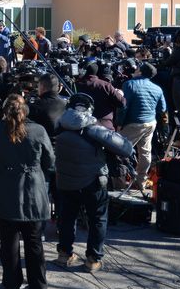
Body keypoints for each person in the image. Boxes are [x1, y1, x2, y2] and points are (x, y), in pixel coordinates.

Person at [0, 94, 54, 289]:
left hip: (6, 189)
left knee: (9, 241)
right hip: (33, 189)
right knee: (34, 241)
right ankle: (39, 287)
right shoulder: (38, 130)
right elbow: (50, 161)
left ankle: (12, 284)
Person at [55, 93, 131, 272]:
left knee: (67, 217)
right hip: (92, 182)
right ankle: (93, 259)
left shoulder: (59, 126)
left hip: (65, 180)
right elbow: (126, 148)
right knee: (98, 218)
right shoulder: (94, 130)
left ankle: (64, 254)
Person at [119, 63, 166, 189]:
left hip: (133, 123)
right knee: (145, 152)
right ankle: (141, 181)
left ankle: (120, 181)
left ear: (140, 72)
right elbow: (162, 108)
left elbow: (124, 107)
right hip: (150, 123)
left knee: (119, 151)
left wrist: (119, 123)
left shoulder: (129, 84)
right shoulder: (157, 88)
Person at [75, 62, 126, 130]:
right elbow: (122, 103)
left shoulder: (76, 84)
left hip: (82, 124)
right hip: (104, 126)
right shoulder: (105, 85)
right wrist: (119, 94)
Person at [28, 73, 67, 141]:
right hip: (62, 143)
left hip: (45, 143)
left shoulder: (36, 106)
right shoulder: (65, 104)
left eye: (38, 86)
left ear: (42, 87)